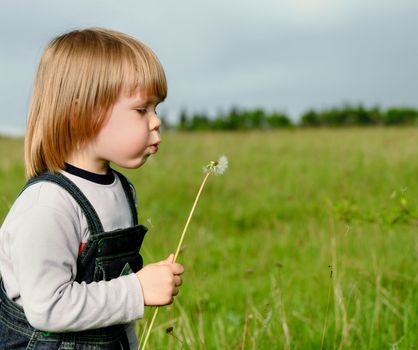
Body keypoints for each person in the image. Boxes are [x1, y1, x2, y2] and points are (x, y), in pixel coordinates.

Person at [0, 28, 184, 349]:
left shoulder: (122, 190)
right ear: (82, 112)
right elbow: (48, 307)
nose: (155, 121)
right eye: (142, 110)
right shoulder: (48, 205)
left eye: (157, 109)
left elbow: (112, 314)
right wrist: (136, 290)